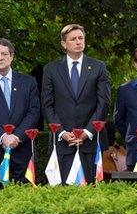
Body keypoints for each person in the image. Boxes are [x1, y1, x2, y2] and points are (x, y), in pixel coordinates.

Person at [41, 23, 110, 182]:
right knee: (63, 194)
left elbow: (104, 103)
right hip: (62, 143)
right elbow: (47, 105)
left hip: (92, 144)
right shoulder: (51, 69)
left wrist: (87, 132)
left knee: (94, 194)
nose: (79, 42)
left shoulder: (98, 67)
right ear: (64, 44)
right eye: (73, 39)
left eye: (81, 38)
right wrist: (62, 133)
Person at [0, 38, 40, 185]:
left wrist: (16, 136)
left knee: (26, 200)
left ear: (11, 56)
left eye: (4, 54)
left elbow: (34, 112)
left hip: (23, 151)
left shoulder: (28, 82)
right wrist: (3, 136)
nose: (0, 58)